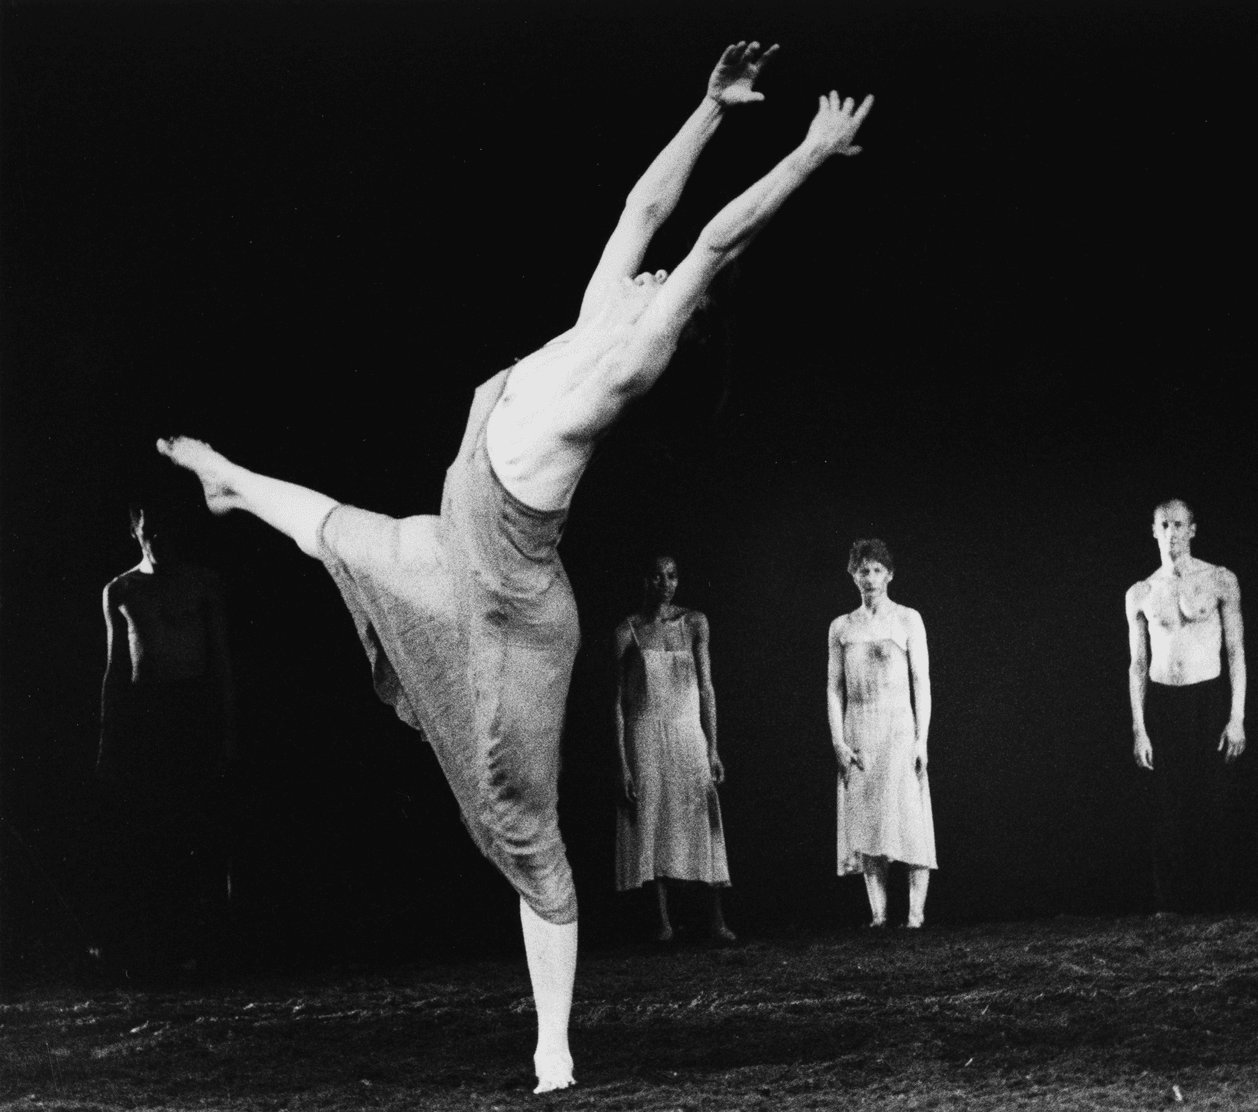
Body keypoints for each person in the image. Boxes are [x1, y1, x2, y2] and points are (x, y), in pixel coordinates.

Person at [158, 42, 872, 1092]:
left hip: (515, 605)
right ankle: (230, 480)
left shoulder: (630, 351)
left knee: (525, 834)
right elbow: (644, 206)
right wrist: (710, 109)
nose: (651, 264)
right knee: (346, 534)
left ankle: (553, 1050)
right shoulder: (600, 315)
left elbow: (718, 240)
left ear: (676, 313)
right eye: (652, 271)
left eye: (665, 281)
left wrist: (809, 152)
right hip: (459, 541)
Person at [96, 502, 236, 978]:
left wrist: (227, 727)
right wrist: (108, 737)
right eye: (150, 531)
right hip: (145, 718)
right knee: (152, 834)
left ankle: (207, 948)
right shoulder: (121, 589)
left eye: (168, 530)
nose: (160, 540)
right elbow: (115, 670)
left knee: (200, 829)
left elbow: (221, 663)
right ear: (136, 532)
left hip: (191, 712)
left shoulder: (202, 583)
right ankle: (156, 948)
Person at [1125, 499, 1246, 913]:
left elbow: (1236, 652)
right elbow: (1137, 664)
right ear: (1154, 531)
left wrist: (1236, 717)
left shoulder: (1220, 579)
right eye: (1164, 525)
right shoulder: (1141, 591)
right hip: (1164, 701)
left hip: (1207, 698)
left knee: (1212, 802)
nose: (1172, 533)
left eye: (1179, 524)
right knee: (1165, 806)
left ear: (1193, 529)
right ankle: (1169, 902)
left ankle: (1213, 899)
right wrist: (1139, 728)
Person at [614, 556, 734, 942]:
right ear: (644, 579)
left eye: (672, 575)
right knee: (652, 819)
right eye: (657, 576)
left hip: (687, 731)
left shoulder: (695, 622)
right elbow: (616, 702)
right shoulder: (626, 631)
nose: (666, 583)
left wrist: (713, 747)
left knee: (702, 818)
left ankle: (716, 920)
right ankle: (663, 922)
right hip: (646, 732)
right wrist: (623, 764)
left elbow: (706, 688)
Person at [827, 539, 936, 928]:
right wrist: (838, 740)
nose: (868, 577)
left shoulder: (908, 619)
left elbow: (921, 681)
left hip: (897, 728)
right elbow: (834, 687)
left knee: (908, 818)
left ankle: (916, 915)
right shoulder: (841, 626)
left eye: (875, 570)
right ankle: (878, 915)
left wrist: (921, 739)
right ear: (852, 575)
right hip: (860, 729)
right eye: (862, 570)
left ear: (888, 574)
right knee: (869, 821)